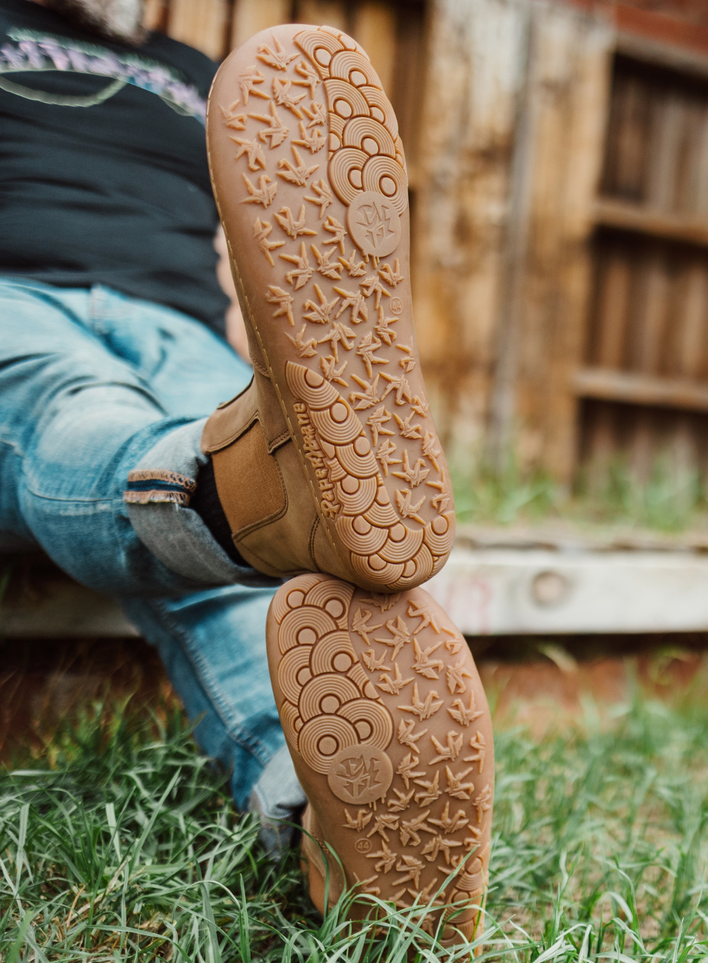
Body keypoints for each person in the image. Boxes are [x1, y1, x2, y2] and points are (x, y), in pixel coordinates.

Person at [0, 0, 491, 940]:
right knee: (79, 416)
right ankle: (246, 493)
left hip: (179, 323)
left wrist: (282, 346)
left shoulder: (193, 68)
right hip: (16, 297)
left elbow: (252, 242)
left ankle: (318, 829)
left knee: (250, 542)